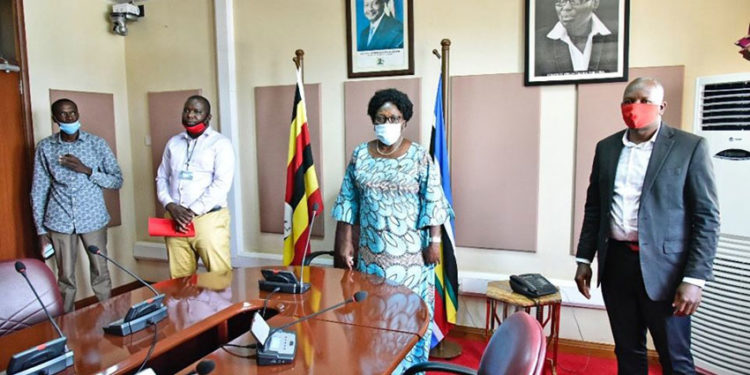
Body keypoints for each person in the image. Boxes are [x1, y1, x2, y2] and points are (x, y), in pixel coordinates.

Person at [575, 77, 720, 374]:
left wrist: (695, 278)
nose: (635, 107)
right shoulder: (607, 148)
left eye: (644, 100)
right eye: (629, 100)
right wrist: (583, 259)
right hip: (616, 265)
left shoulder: (689, 147)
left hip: (666, 272)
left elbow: (706, 218)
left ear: (662, 106)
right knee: (628, 351)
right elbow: (595, 208)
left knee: (675, 357)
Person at [332, 88, 454, 373]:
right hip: (370, 256)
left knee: (405, 320)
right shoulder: (361, 154)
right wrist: (344, 242)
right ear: (372, 120)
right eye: (381, 117)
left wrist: (434, 241)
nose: (387, 123)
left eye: (394, 117)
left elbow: (433, 200)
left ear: (405, 121)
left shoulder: (420, 156)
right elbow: (348, 199)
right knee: (372, 319)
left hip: (410, 259)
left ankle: (409, 370)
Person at [31, 98, 123, 313]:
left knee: (100, 271)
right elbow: (38, 189)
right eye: (63, 114)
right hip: (59, 220)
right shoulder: (46, 147)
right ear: (55, 119)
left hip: (93, 219)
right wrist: (40, 230)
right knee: (65, 277)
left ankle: (109, 317)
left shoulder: (96, 143)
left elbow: (117, 180)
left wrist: (87, 170)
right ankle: (67, 326)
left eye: (73, 113)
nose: (69, 117)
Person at [156, 95, 235, 278]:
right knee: (180, 280)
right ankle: (186, 308)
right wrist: (170, 205)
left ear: (208, 117)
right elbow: (161, 177)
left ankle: (220, 308)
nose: (190, 115)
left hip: (208, 219)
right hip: (174, 219)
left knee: (218, 279)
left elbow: (221, 184)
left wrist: (191, 212)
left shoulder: (220, 144)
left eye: (197, 112)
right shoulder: (173, 143)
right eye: (187, 110)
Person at [535, 0, 618, 76]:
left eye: (575, 1)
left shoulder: (616, 38)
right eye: (560, 1)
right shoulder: (539, 42)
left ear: (595, 3)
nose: (566, 7)